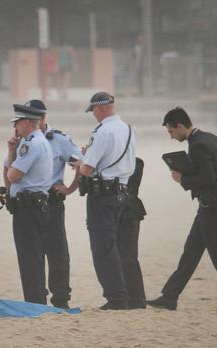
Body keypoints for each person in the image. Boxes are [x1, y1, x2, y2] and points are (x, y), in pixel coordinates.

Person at [147, 107, 217, 311]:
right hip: (215, 203)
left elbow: (206, 177)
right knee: (191, 251)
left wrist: (183, 179)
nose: (171, 137)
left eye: (171, 132)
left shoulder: (198, 145)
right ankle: (169, 296)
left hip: (212, 205)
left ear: (180, 126)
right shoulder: (210, 138)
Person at [72, 91, 137, 310]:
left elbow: (88, 169)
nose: (93, 115)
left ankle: (116, 298)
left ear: (99, 108)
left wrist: (80, 163)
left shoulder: (102, 131)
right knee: (118, 245)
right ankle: (127, 295)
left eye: (93, 111)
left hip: (103, 194)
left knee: (103, 247)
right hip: (123, 191)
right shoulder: (127, 128)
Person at [31, 99, 83, 309]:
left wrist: (70, 189)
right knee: (33, 252)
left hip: (52, 200)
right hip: (29, 203)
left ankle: (61, 299)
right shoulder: (24, 139)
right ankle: (36, 299)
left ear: (43, 118)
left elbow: (80, 163)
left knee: (57, 252)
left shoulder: (59, 139)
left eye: (33, 118)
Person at [4, 101, 54, 306]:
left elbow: (12, 174)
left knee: (29, 257)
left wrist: (11, 154)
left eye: (17, 123)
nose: (15, 128)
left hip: (29, 207)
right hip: (34, 206)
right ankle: (36, 299)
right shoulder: (38, 141)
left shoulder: (30, 144)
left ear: (25, 123)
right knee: (32, 255)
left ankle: (35, 301)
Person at [117, 157, 147, 309]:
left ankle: (135, 299)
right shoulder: (133, 161)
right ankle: (133, 298)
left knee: (128, 257)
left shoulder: (134, 162)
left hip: (128, 210)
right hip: (126, 209)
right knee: (125, 256)